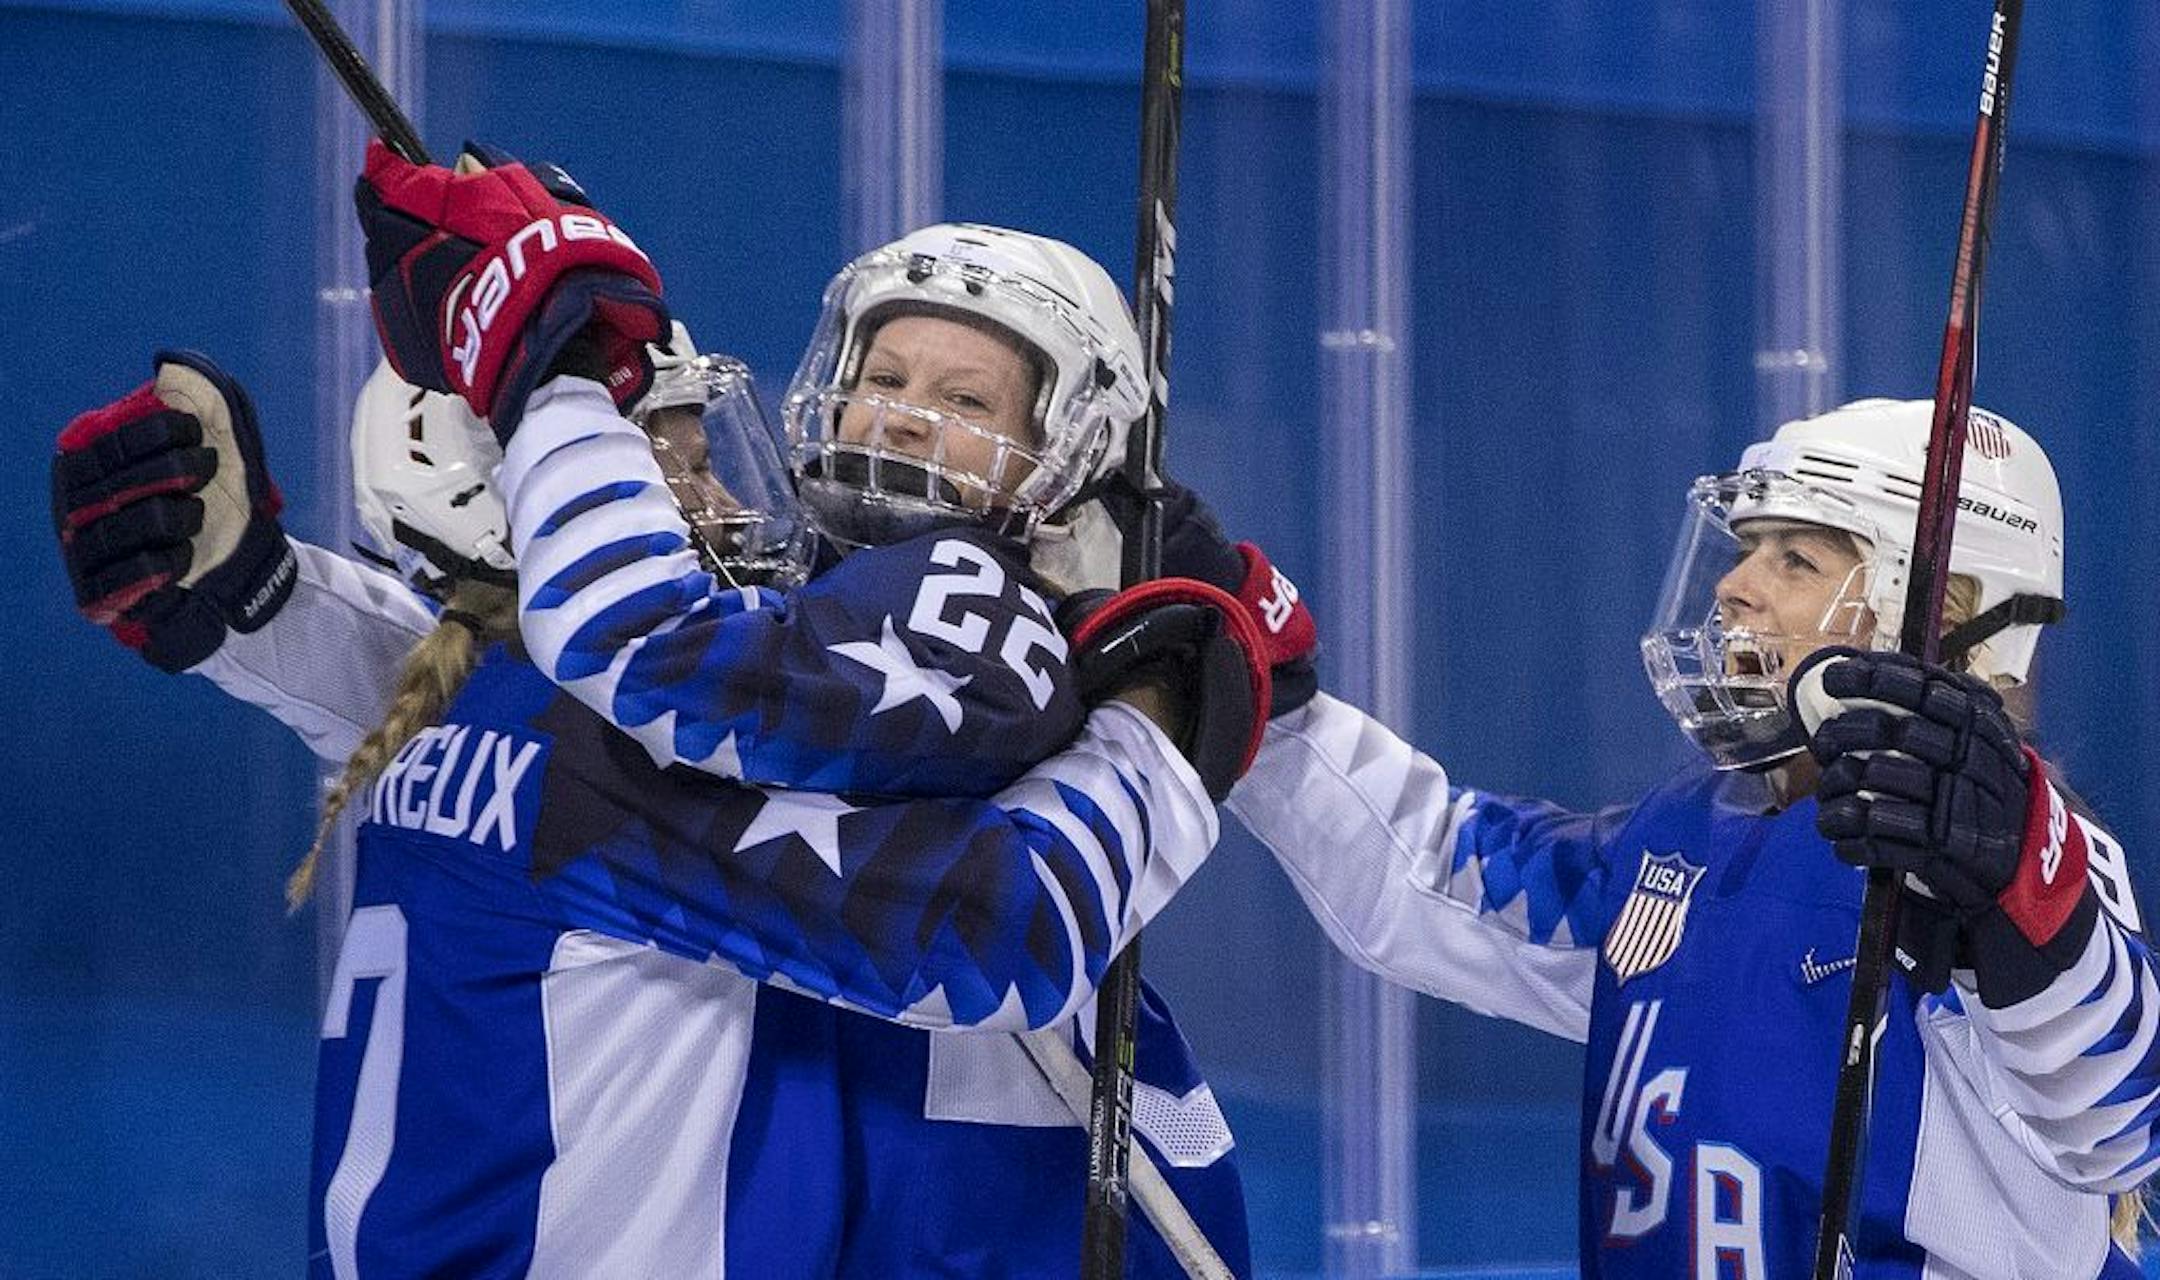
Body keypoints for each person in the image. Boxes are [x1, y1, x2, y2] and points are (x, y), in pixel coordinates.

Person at [51, 143, 1303, 1277]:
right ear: (524, 492)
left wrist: (260, 600)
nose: (708, 502)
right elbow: (997, 924)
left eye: (966, 398)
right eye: (650, 470)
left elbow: (480, 687)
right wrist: (1161, 718)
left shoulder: (475, 724)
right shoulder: (629, 757)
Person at [1188, 396, 2156, 1277]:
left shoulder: (2017, 857)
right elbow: (1436, 868)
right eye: (1748, 547)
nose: (1734, 584)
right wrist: (1260, 690)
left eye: (1797, 558)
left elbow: (2118, 1127)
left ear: (1939, 611)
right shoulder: (1688, 835)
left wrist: (2018, 900)